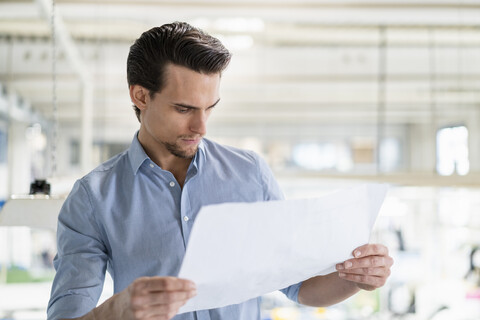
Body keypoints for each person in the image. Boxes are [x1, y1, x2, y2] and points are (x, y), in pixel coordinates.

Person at [47, 21, 394, 320]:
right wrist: (116, 311)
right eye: (184, 108)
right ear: (140, 96)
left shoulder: (250, 173)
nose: (201, 126)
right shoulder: (93, 198)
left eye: (209, 108)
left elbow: (298, 285)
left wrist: (356, 278)